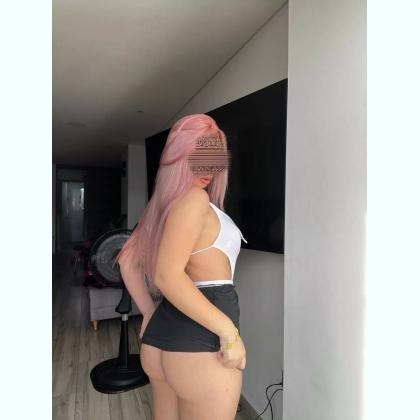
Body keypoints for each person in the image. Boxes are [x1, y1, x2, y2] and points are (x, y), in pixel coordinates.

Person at [117, 114, 247, 420]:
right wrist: (229, 332)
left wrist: (149, 312)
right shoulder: (194, 200)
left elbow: (126, 260)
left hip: (162, 334)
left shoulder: (163, 207)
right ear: (178, 156)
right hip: (201, 338)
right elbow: (167, 275)